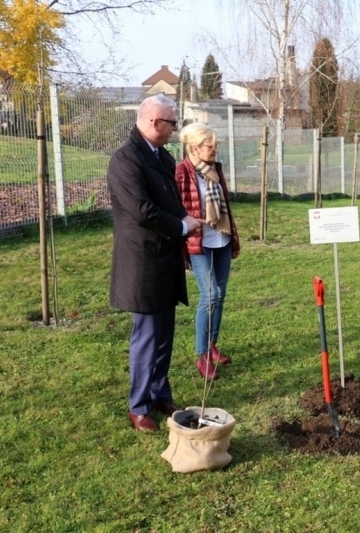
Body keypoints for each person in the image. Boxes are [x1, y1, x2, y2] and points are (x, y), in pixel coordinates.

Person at [107, 94, 205, 432]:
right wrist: (181, 226)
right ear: (153, 122)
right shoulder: (125, 160)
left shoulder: (161, 155)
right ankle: (139, 406)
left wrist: (186, 218)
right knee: (147, 336)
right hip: (143, 262)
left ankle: (160, 392)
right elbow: (141, 211)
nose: (175, 129)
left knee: (164, 334)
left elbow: (171, 200)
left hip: (165, 259)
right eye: (172, 123)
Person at [175, 123, 241, 381]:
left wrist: (232, 236)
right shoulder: (181, 172)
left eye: (216, 145)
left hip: (221, 238)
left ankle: (213, 347)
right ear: (194, 148)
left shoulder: (216, 170)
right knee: (210, 294)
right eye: (210, 145)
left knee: (220, 295)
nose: (215, 149)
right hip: (198, 242)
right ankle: (201, 354)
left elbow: (225, 206)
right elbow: (177, 208)